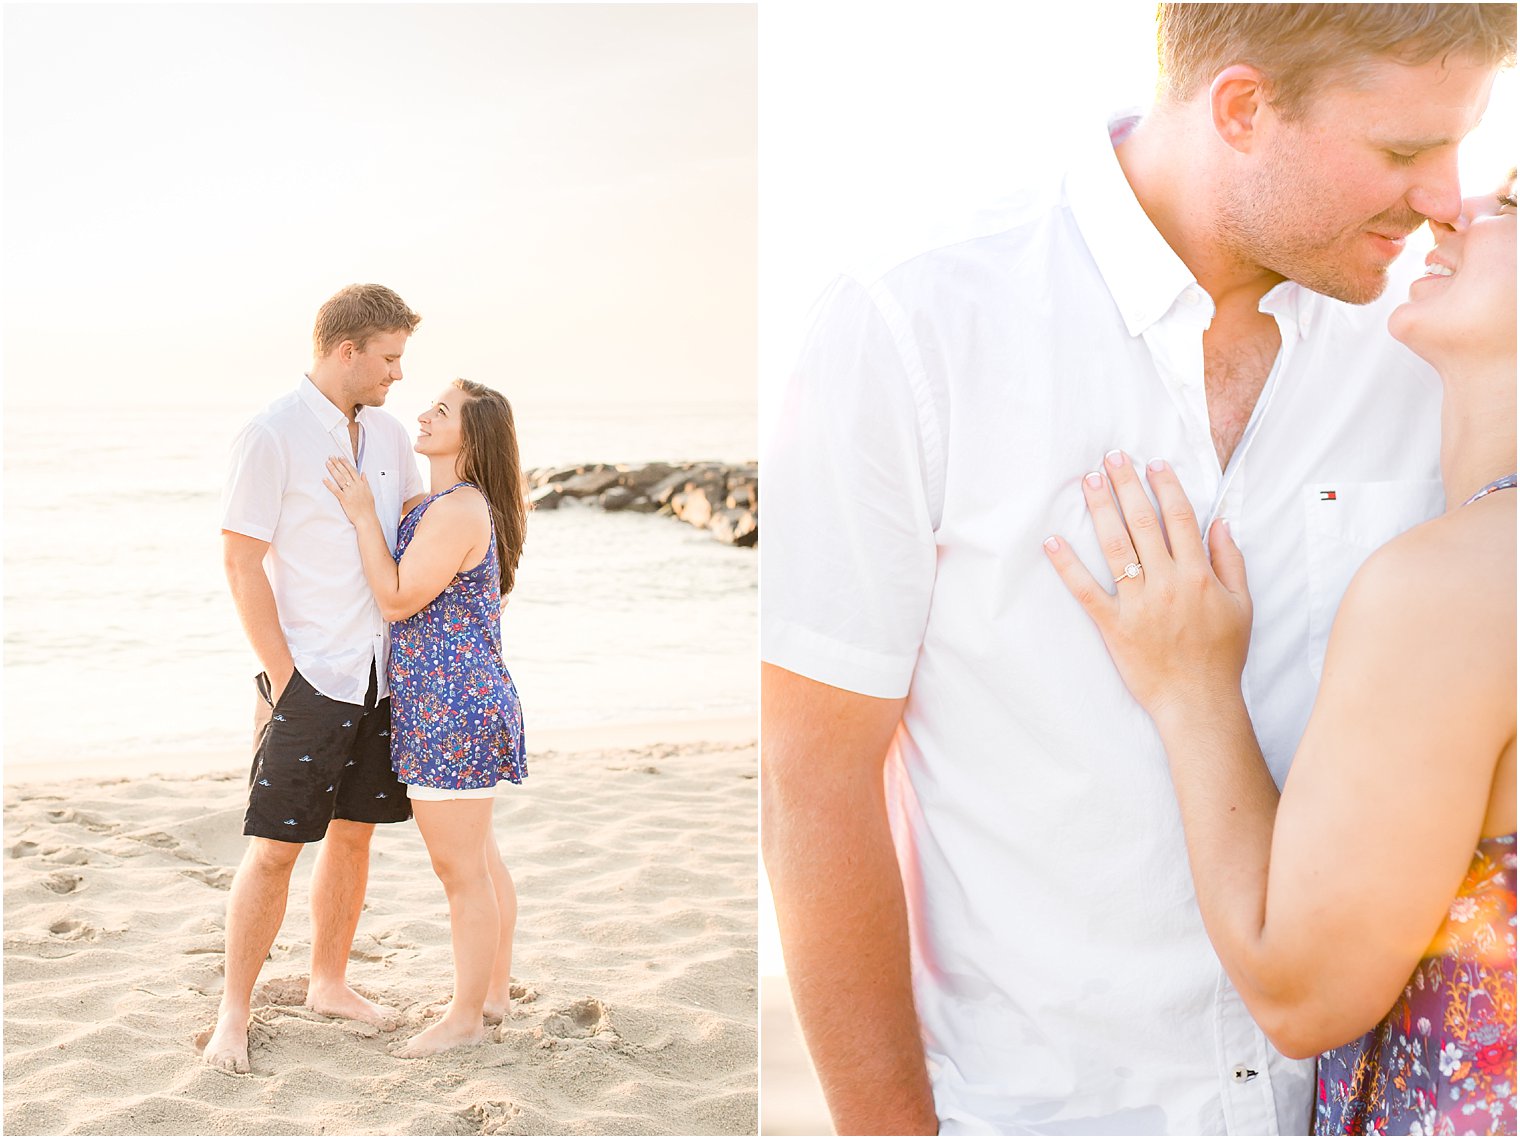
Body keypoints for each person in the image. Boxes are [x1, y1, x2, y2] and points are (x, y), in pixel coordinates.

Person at [760, 5, 1515, 1134]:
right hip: (1041, 1109)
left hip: (1360, 1103)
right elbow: (814, 782)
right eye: (1402, 150)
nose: (1444, 197)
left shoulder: (1432, 338)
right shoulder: (912, 323)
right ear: (1242, 108)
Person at [1044, 178, 1515, 1134]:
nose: (1455, 208)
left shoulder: (1458, 587)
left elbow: (1303, 997)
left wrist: (1191, 688)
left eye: (1515, 204)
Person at [209, 283, 425, 1074]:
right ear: (346, 350)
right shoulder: (270, 434)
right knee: (272, 850)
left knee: (355, 834)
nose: (399, 374)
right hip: (309, 677)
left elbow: (410, 539)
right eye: (390, 357)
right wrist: (285, 676)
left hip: (380, 675)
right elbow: (240, 561)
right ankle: (234, 1011)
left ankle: (327, 981)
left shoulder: (394, 436)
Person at [324, 377, 528, 1058]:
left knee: (460, 871)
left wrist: (358, 514)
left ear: (472, 435)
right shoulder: (447, 503)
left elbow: (396, 598)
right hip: (455, 702)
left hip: (452, 710)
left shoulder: (459, 511)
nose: (425, 412)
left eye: (442, 410)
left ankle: (465, 1018)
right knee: (481, 858)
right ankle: (492, 993)